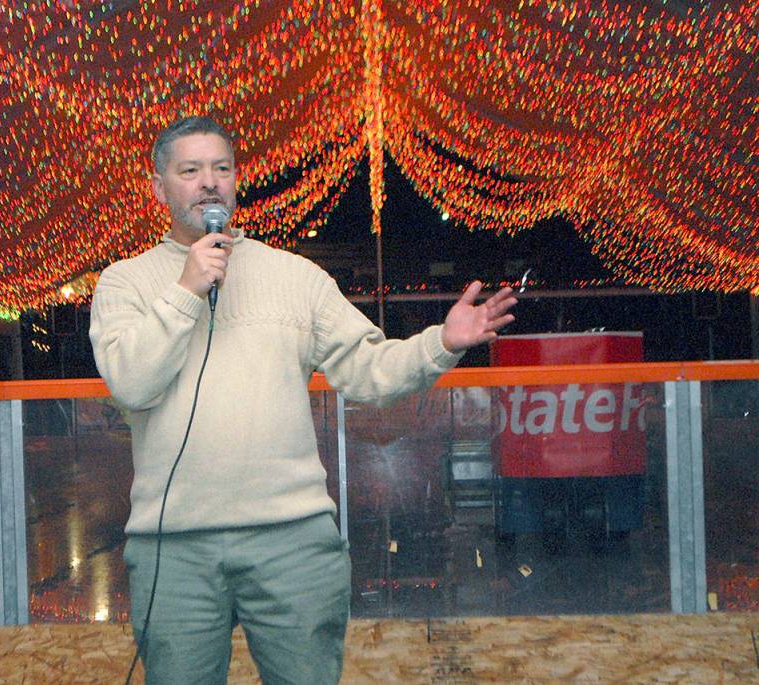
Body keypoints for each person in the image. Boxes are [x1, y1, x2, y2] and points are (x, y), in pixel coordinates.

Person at [89, 115, 517, 684]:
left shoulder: (296, 277)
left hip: (293, 540)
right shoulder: (125, 283)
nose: (209, 182)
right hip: (175, 550)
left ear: (237, 180)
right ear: (158, 186)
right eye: (190, 171)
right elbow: (132, 383)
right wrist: (187, 289)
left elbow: (369, 372)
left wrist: (441, 342)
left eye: (221, 168)